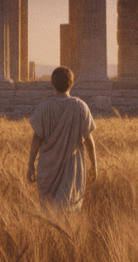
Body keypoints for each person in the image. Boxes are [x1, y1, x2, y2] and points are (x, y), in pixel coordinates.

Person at [26, 66, 98, 211]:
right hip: (73, 168)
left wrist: (30, 164)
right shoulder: (81, 107)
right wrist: (94, 166)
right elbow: (89, 140)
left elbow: (36, 138)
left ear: (52, 83)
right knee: (69, 210)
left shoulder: (43, 106)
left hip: (47, 167)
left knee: (48, 211)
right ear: (72, 83)